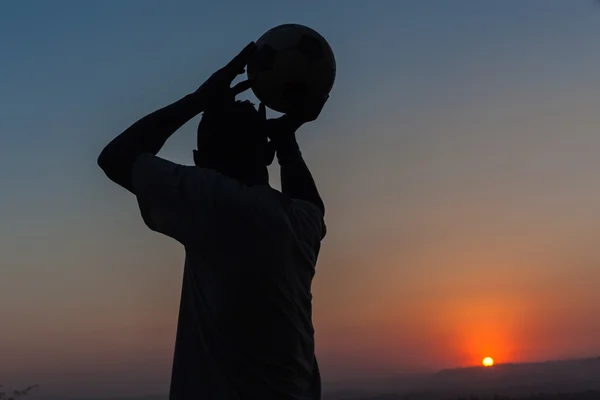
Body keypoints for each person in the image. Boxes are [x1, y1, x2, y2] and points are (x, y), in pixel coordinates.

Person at [97, 41, 328, 400]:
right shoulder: (298, 225)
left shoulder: (215, 201)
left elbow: (114, 158)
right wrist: (287, 144)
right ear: (266, 153)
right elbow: (312, 206)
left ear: (198, 160)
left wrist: (199, 98)